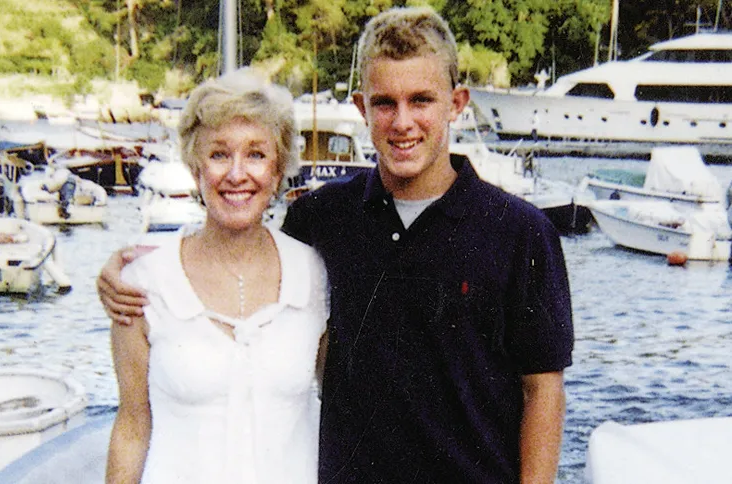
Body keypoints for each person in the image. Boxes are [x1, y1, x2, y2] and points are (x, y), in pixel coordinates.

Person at [99, 7, 573, 483]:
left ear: (456, 103)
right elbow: (242, 262)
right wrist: (120, 274)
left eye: (422, 100)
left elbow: (543, 391)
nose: (403, 121)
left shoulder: (521, 233)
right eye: (385, 103)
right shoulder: (320, 220)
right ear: (362, 108)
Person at [105, 69, 329, 483]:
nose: (237, 174)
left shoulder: (314, 275)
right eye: (219, 154)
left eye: (257, 154)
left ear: (278, 170)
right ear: (195, 168)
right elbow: (132, 427)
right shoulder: (140, 284)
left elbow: (340, 406)